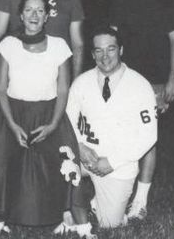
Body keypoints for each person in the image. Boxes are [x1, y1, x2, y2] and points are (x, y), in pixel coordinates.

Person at [0, 0, 96, 238]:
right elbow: (1, 89)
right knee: (2, 161)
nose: (34, 15)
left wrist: (53, 124)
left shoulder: (59, 46)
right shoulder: (8, 45)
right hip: (13, 114)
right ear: (21, 15)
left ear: (46, 16)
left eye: (40, 11)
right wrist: (12, 125)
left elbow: (63, 88)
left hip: (50, 114)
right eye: (29, 10)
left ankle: (79, 225)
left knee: (69, 161)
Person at [109, 0, 174, 219]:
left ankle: (140, 202)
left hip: (154, 80)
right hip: (125, 77)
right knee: (119, 134)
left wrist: (172, 79)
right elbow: (112, 38)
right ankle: (119, 193)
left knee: (147, 138)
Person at [66, 26, 158, 228]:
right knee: (53, 160)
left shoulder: (139, 85)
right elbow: (68, 121)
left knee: (109, 224)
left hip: (117, 164)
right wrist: (79, 146)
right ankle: (65, 210)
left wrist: (113, 161)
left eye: (111, 49)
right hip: (84, 155)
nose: (105, 56)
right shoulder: (81, 82)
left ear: (121, 50)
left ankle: (100, 204)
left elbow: (149, 136)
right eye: (98, 50)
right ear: (92, 54)